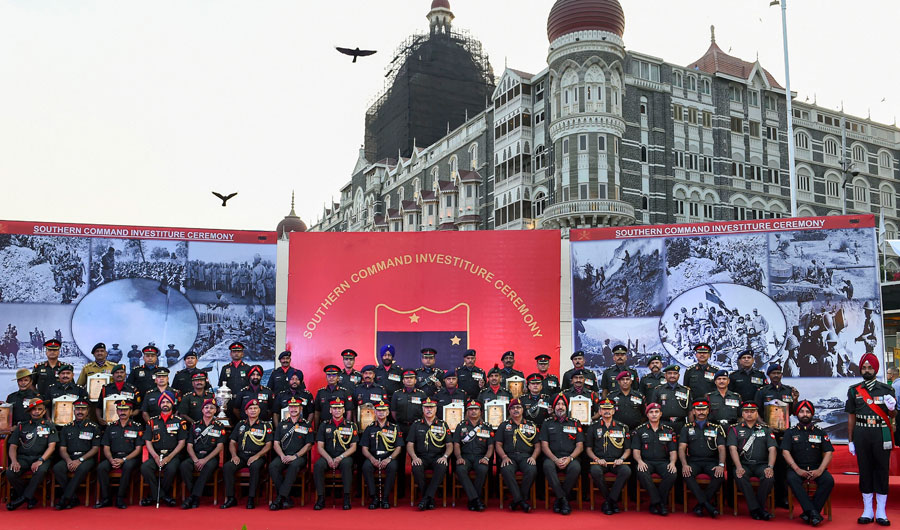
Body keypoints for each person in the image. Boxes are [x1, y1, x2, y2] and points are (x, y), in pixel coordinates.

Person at [846, 353, 897, 526]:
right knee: (865, 470)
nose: (867, 370)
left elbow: (893, 415)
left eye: (870, 367)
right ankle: (867, 510)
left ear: (876, 369)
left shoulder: (887, 389)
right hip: (862, 434)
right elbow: (851, 416)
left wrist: (891, 407)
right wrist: (850, 440)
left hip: (881, 434)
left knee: (882, 471)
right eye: (864, 367)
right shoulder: (854, 390)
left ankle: (881, 511)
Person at [781, 400, 833, 527]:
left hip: (817, 468)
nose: (805, 414)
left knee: (829, 481)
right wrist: (797, 469)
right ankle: (813, 513)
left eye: (808, 412)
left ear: (812, 414)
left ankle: (809, 513)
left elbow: (829, 452)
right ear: (797, 414)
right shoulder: (790, 432)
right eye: (802, 412)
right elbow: (785, 452)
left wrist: (820, 470)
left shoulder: (820, 432)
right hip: (796, 468)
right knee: (792, 479)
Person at [755, 363, 800, 508]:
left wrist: (795, 400)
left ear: (781, 375)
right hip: (767, 434)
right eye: (773, 373)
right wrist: (765, 427)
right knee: (769, 466)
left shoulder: (789, 391)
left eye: (778, 373)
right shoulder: (762, 391)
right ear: (769, 375)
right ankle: (768, 496)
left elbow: (794, 412)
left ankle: (783, 498)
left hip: (784, 434)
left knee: (783, 467)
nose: (776, 375)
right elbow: (756, 413)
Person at [727, 402, 777, 520]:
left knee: (769, 477)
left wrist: (770, 467)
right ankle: (758, 509)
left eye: (752, 411)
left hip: (761, 465)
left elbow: (772, 449)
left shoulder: (766, 429)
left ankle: (756, 508)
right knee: (740, 476)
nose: (749, 414)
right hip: (744, 464)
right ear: (742, 413)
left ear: (757, 413)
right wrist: (738, 467)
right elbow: (732, 449)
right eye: (746, 411)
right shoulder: (734, 429)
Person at [6, 399, 58, 510]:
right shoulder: (21, 426)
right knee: (10, 472)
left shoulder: (49, 426)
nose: (37, 412)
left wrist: (41, 460)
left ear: (44, 412)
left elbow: (51, 447)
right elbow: (13, 446)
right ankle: (29, 498)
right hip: (23, 458)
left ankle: (24, 498)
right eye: (34, 409)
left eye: (40, 409)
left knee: (41, 471)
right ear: (29, 411)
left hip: (42, 457)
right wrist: (14, 461)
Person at [221, 399, 273, 509]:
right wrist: (234, 455)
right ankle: (231, 498)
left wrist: (257, 456)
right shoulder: (240, 425)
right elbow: (232, 442)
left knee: (255, 466)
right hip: (241, 456)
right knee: (227, 467)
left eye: (255, 408)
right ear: (246, 411)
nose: (253, 410)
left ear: (259, 410)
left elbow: (268, 445)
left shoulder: (265, 426)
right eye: (250, 409)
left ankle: (251, 498)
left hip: (257, 456)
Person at [139, 392, 188, 507]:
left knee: (171, 469)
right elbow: (148, 441)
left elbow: (182, 443)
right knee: (145, 468)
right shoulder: (152, 421)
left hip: (173, 455)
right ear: (159, 404)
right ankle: (163, 496)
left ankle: (154, 496)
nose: (165, 404)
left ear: (172, 403)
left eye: (167, 402)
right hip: (156, 454)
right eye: (163, 402)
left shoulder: (180, 421)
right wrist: (155, 457)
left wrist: (169, 457)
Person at [678, 399, 726, 518]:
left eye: (703, 409)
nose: (701, 412)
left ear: (708, 411)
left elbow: (721, 448)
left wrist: (721, 465)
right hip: (693, 461)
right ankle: (707, 505)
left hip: (711, 461)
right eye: (698, 409)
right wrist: (684, 464)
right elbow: (681, 448)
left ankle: (701, 505)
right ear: (693, 411)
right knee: (686, 473)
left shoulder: (716, 428)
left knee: (719, 475)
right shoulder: (686, 428)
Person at [52, 399, 102, 509]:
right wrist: (69, 460)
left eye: (83, 409)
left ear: (88, 411)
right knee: (57, 468)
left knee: (82, 469)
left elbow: (95, 449)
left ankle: (65, 498)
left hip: (86, 458)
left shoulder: (94, 427)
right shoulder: (67, 427)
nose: (80, 411)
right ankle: (73, 498)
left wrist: (80, 460)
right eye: (78, 409)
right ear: (74, 411)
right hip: (69, 457)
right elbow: (62, 449)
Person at [586, 398, 631, 515]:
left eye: (609, 409)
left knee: (626, 471)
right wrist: (596, 459)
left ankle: (610, 501)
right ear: (600, 411)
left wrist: (621, 459)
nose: (607, 411)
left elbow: (627, 449)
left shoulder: (622, 427)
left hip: (617, 462)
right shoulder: (593, 427)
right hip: (599, 461)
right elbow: (588, 449)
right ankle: (611, 500)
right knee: (595, 472)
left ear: (613, 411)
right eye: (604, 409)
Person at [540, 393, 584, 516]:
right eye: (558, 404)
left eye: (563, 404)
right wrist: (555, 459)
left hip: (570, 457)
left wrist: (570, 459)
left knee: (576, 467)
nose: (560, 407)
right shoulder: (547, 423)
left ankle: (560, 499)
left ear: (567, 407)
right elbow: (544, 445)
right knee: (547, 466)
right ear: (553, 407)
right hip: (552, 457)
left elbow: (580, 446)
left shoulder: (575, 423)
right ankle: (564, 499)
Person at [95, 400, 143, 509]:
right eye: (120, 409)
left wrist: (124, 459)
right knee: (101, 467)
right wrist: (111, 459)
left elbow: (138, 449)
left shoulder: (136, 427)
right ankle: (106, 498)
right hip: (113, 456)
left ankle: (120, 498)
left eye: (125, 410)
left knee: (128, 466)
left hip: (130, 457)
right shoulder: (110, 427)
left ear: (130, 412)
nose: (123, 412)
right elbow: (106, 447)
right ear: (117, 411)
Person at [269, 397, 314, 511]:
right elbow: (276, 443)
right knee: (273, 466)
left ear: (301, 408)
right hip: (283, 455)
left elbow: (309, 445)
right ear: (288, 408)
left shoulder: (306, 424)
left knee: (294, 466)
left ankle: (280, 498)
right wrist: (282, 456)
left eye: (296, 407)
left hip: (299, 457)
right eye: (291, 407)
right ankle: (287, 498)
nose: (293, 409)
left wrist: (295, 456)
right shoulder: (282, 424)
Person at [179, 398, 226, 509]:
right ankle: (194, 496)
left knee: (208, 467)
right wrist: (195, 459)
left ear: (216, 411)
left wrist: (205, 460)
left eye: (212, 408)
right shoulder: (195, 425)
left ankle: (192, 497)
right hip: (196, 455)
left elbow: (220, 447)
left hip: (210, 458)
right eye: (206, 407)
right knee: (184, 466)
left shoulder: (219, 426)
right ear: (202, 410)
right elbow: (189, 446)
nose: (208, 410)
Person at [632, 402, 678, 516]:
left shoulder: (669, 430)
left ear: (661, 414)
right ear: (647, 415)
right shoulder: (640, 430)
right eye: (651, 412)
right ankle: (660, 502)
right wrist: (640, 461)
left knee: (672, 473)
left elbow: (673, 451)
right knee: (642, 472)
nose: (654, 414)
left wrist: (672, 463)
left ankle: (655, 503)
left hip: (663, 462)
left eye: (656, 412)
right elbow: (636, 451)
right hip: (646, 462)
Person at [496, 398, 540, 513]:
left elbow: (537, 445)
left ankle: (518, 500)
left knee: (532, 470)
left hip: (526, 456)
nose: (516, 410)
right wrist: (504, 457)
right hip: (509, 457)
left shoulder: (531, 425)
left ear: (523, 410)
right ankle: (522, 501)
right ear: (509, 411)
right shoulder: (503, 425)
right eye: (513, 408)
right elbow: (498, 445)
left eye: (518, 407)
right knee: (506, 469)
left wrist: (534, 457)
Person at [407, 397, 452, 510]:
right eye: (426, 407)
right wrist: (414, 457)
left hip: (437, 457)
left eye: (431, 407)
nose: (429, 410)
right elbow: (410, 444)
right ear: (422, 409)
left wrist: (445, 457)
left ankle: (425, 499)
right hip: (421, 457)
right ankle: (429, 498)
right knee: (416, 467)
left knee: (442, 466)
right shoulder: (416, 425)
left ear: (436, 409)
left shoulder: (443, 425)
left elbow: (449, 445)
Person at [313, 398, 358, 510]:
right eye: (334, 408)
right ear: (330, 410)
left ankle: (347, 498)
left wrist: (340, 457)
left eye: (339, 408)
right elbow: (320, 447)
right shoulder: (324, 425)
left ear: (343, 410)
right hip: (327, 455)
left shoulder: (350, 425)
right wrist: (328, 459)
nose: (337, 410)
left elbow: (353, 447)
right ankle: (320, 498)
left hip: (344, 456)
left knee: (347, 465)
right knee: (318, 465)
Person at [360, 400, 402, 510]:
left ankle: (385, 498)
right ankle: (374, 497)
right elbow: (364, 448)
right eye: (379, 410)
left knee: (392, 467)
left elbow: (398, 447)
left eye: (384, 410)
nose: (381, 413)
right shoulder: (369, 428)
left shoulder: (395, 428)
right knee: (366, 466)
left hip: (388, 457)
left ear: (388, 412)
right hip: (373, 456)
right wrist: (372, 459)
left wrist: (389, 459)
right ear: (375, 412)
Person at [453, 400, 494, 511]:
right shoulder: (461, 426)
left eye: (476, 409)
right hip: (465, 456)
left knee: (482, 469)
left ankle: (472, 500)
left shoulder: (487, 426)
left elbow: (491, 446)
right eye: (471, 409)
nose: (473, 411)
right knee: (460, 470)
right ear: (467, 412)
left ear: (480, 412)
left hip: (480, 457)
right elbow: (456, 444)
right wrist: (459, 457)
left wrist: (486, 458)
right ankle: (476, 499)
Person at [650, 364, 690, 435]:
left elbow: (690, 411)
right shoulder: (658, 390)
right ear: (665, 376)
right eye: (669, 373)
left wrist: (690, 426)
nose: (672, 376)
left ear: (679, 376)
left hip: (681, 424)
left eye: (675, 373)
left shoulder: (685, 391)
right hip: (663, 423)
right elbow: (653, 409)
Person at [391, 369, 426, 439]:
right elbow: (393, 411)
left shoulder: (421, 394)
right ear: (403, 381)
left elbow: (425, 411)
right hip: (401, 426)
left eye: (411, 378)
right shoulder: (397, 394)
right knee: (401, 447)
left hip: (417, 426)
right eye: (406, 378)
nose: (409, 380)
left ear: (415, 380)